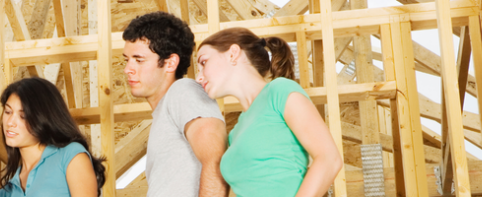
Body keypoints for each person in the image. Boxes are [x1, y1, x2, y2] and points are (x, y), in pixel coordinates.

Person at [194, 27, 343, 196]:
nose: (198, 77)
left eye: (203, 62)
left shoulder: (279, 91)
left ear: (233, 53)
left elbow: (329, 159)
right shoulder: (234, 134)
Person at [121, 11, 229, 197]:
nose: (127, 69)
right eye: (127, 60)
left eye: (139, 60)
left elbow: (216, 160)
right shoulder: (165, 112)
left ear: (170, 64)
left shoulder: (183, 91)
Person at [0, 78, 106, 197]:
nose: (10, 122)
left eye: (23, 116)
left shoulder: (70, 155)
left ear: (44, 118)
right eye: (7, 112)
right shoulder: (10, 188)